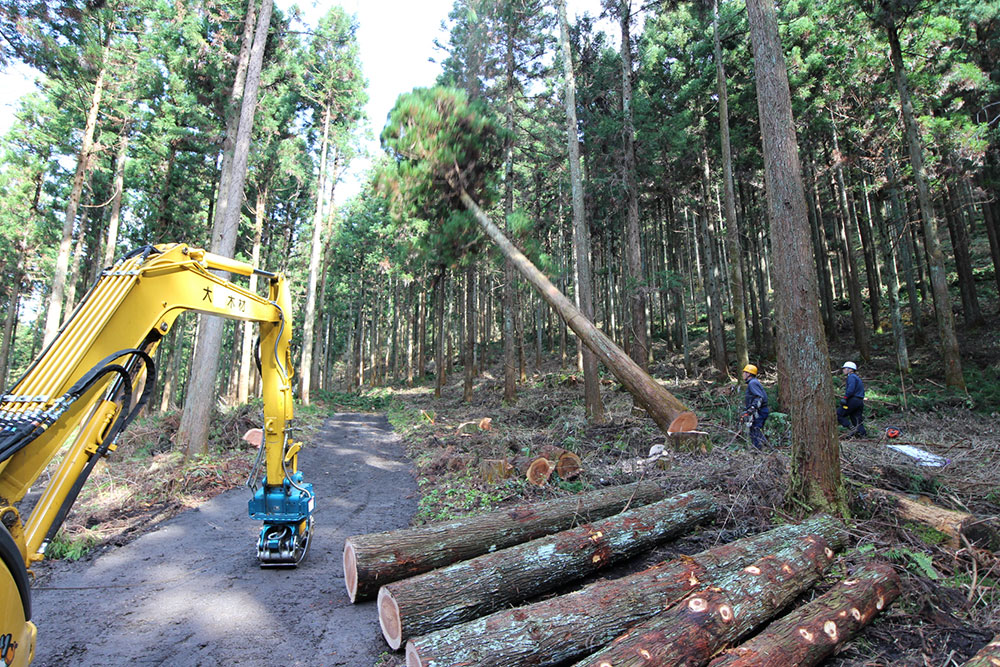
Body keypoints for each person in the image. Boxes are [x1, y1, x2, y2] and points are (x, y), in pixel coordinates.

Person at [741, 364, 769, 449]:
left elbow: (759, 397)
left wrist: (752, 409)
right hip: (760, 411)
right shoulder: (753, 382)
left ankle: (759, 451)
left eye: (744, 372)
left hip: (760, 411)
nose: (742, 374)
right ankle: (765, 448)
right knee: (755, 430)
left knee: (755, 430)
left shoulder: (752, 383)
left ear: (748, 374)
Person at [837, 360, 866, 437]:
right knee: (856, 418)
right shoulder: (857, 378)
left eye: (844, 368)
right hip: (859, 401)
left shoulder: (851, 377)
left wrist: (845, 398)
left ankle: (851, 428)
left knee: (838, 414)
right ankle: (861, 434)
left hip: (853, 400)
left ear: (850, 369)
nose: (843, 370)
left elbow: (851, 389)